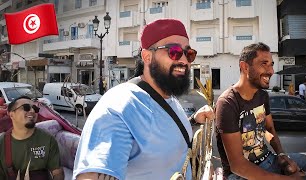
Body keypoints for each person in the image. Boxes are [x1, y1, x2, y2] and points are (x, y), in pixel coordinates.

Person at [73, 19, 214, 180]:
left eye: (189, 54)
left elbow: (157, 136)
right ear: (147, 56)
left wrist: (193, 121)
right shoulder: (120, 106)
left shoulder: (169, 98)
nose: (183, 60)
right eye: (174, 51)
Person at [215, 42, 306, 180]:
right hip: (242, 175)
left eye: (271, 64)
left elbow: (269, 128)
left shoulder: (262, 95)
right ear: (245, 67)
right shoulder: (228, 103)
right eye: (264, 63)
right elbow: (238, 166)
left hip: (270, 160)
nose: (271, 71)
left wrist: (282, 155)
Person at [0, 96, 64, 180]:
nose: (32, 111)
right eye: (26, 107)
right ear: (12, 114)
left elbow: (57, 172)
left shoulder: (48, 140)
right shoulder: (2, 143)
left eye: (35, 108)